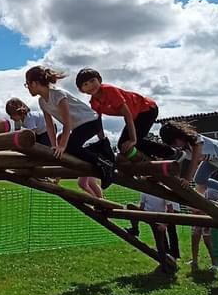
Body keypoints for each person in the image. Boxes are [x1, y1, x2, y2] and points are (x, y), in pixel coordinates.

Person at [24, 66, 115, 198]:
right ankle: (98, 153)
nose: (28, 88)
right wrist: (54, 145)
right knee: (68, 149)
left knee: (70, 147)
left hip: (91, 120)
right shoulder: (42, 101)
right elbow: (50, 125)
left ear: (34, 83)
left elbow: (67, 123)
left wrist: (61, 146)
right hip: (79, 126)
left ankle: (104, 162)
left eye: (28, 84)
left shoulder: (58, 95)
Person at [74, 68, 180, 161]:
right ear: (81, 90)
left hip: (146, 109)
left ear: (99, 80)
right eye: (85, 84)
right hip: (136, 115)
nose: (90, 85)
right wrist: (102, 141)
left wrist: (133, 140)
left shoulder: (109, 91)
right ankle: (152, 161)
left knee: (130, 142)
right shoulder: (94, 103)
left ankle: (173, 153)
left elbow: (127, 115)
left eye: (92, 81)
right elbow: (98, 124)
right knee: (123, 145)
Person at [139, 192, 180, 275]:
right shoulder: (144, 192)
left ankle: (165, 265)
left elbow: (170, 210)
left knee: (160, 243)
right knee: (130, 206)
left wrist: (165, 224)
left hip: (160, 220)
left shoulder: (161, 191)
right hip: (149, 217)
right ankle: (134, 229)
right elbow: (141, 208)